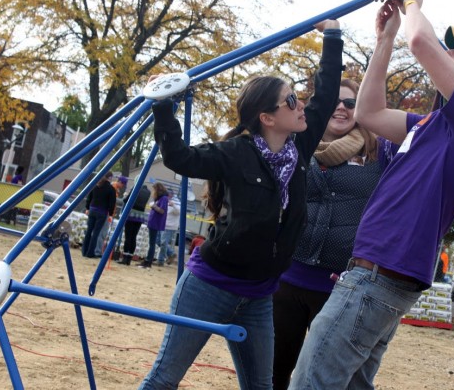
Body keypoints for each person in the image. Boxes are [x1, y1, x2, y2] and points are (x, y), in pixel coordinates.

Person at [289, 0, 454, 389]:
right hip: (376, 273)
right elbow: (368, 113)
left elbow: (422, 42)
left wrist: (413, 3)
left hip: (380, 274)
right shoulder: (429, 124)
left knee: (311, 381)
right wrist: (385, 40)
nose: (448, 51)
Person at [138, 19, 343, 390]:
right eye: (292, 100)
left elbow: (326, 95)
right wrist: (163, 108)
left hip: (260, 294)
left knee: (261, 387)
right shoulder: (236, 152)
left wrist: (331, 36)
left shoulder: (299, 147)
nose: (301, 106)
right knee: (164, 379)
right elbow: (180, 158)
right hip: (210, 284)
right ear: (267, 118)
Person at [272, 78, 387, 390]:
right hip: (286, 280)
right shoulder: (294, 148)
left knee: (328, 378)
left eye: (350, 103)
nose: (341, 107)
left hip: (341, 288)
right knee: (273, 372)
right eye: (334, 101)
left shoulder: (378, 155)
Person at [81, 171, 116, 258]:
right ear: (110, 178)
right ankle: (90, 253)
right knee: (95, 233)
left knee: (89, 231)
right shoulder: (111, 189)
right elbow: (112, 202)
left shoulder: (96, 185)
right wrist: (111, 213)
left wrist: (87, 207)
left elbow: (89, 197)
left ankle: (84, 250)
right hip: (102, 212)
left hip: (92, 209)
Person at [116, 184, 151, 265]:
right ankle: (129, 258)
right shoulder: (148, 192)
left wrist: (125, 196)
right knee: (133, 236)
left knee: (128, 236)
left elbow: (126, 200)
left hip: (131, 214)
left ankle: (125, 257)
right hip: (140, 215)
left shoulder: (136, 188)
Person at [139, 182, 168, 269]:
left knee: (152, 243)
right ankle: (148, 260)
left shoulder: (164, 198)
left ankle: (148, 261)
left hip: (155, 223)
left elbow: (162, 211)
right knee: (151, 243)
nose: (153, 192)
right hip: (153, 222)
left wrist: (154, 206)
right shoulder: (160, 198)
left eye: (154, 190)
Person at [157, 189, 180, 265]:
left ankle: (160, 261)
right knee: (158, 241)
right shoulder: (164, 200)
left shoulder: (176, 202)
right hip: (162, 224)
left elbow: (179, 212)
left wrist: (173, 205)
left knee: (163, 243)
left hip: (169, 226)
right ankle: (171, 253)